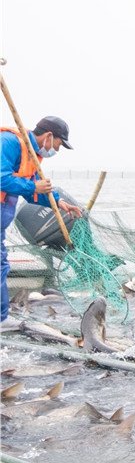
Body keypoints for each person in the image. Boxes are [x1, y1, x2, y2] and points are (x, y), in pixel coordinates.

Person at [1, 117, 83, 329]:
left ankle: (2, 316)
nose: (57, 149)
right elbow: (3, 179)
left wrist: (59, 202)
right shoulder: (10, 142)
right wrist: (33, 188)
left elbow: (35, 191)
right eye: (58, 144)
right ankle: (1, 319)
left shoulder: (33, 155)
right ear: (48, 136)